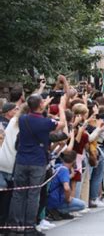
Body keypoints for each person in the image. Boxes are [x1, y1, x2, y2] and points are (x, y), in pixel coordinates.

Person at [8, 94, 66, 235]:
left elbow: (32, 110)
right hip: (37, 161)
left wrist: (40, 104)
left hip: (22, 160)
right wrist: (62, 106)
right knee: (33, 194)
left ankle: (14, 226)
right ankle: (29, 227)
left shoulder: (23, 119)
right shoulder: (45, 123)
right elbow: (62, 124)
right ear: (41, 105)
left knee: (18, 194)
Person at [47, 150, 86, 219]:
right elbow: (66, 188)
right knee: (82, 205)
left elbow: (60, 178)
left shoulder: (58, 166)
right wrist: (68, 198)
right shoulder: (64, 170)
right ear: (74, 161)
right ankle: (60, 211)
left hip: (50, 198)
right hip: (57, 200)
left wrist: (71, 175)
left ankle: (58, 210)